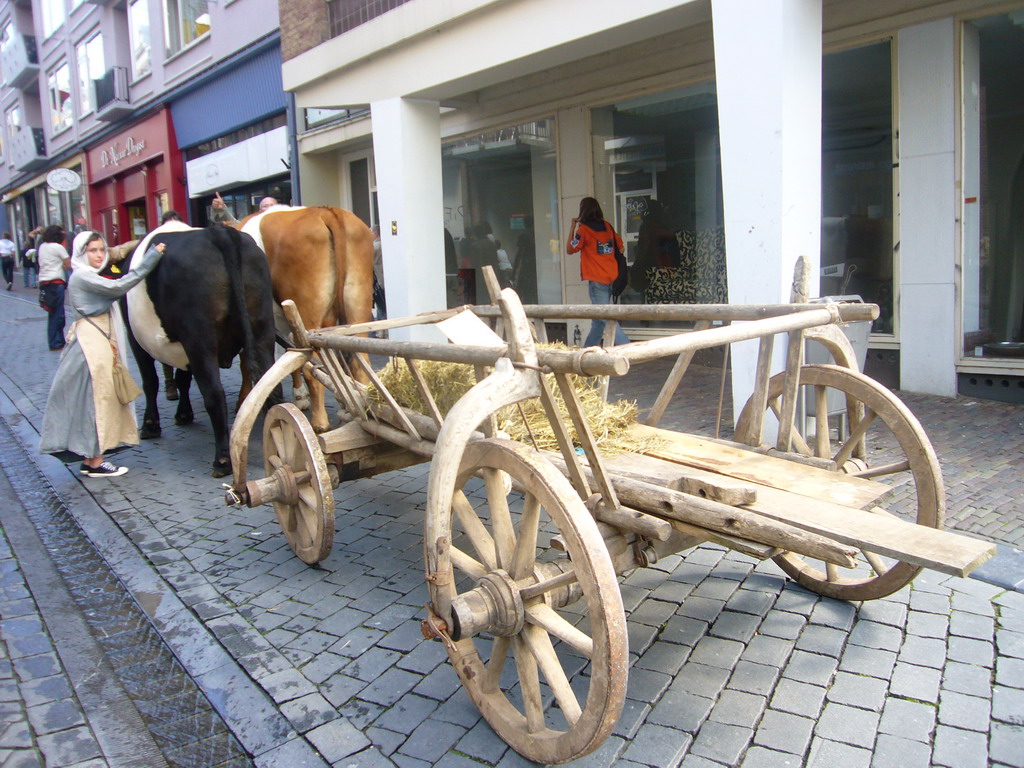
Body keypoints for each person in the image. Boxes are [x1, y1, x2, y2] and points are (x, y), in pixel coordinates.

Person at [39, 231, 167, 478]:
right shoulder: (83, 277)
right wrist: (152, 257)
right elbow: (120, 285)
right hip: (90, 345)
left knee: (95, 399)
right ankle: (94, 461)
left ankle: (92, 458)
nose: (99, 255)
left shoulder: (86, 275)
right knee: (97, 399)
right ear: (81, 253)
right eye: (93, 251)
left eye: (101, 249)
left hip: (95, 340)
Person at [566, 197, 629, 347]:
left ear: (583, 211)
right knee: (598, 321)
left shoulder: (584, 230)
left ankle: (626, 347)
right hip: (612, 277)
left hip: (597, 279)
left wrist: (572, 227)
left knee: (604, 317)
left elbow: (570, 249)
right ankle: (587, 351)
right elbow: (621, 247)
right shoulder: (608, 227)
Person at [37, 225, 71, 350]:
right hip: (56, 282)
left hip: (44, 282)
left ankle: (56, 340)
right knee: (58, 314)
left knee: (52, 313)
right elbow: (68, 264)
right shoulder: (58, 247)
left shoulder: (42, 246)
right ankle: (56, 342)